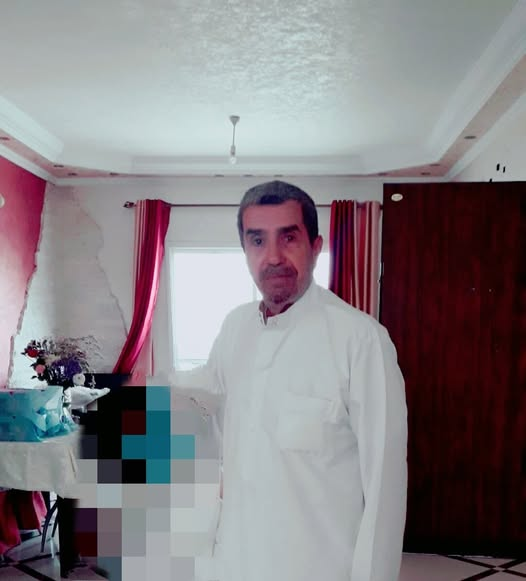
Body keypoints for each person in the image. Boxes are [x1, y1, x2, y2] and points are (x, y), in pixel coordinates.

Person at [158, 180, 407, 581]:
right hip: (234, 562)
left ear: (316, 246)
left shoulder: (361, 341)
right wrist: (140, 391)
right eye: (257, 240)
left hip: (318, 569)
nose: (273, 256)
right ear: (245, 251)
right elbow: (206, 390)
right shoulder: (236, 326)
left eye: (288, 238)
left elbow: (385, 489)